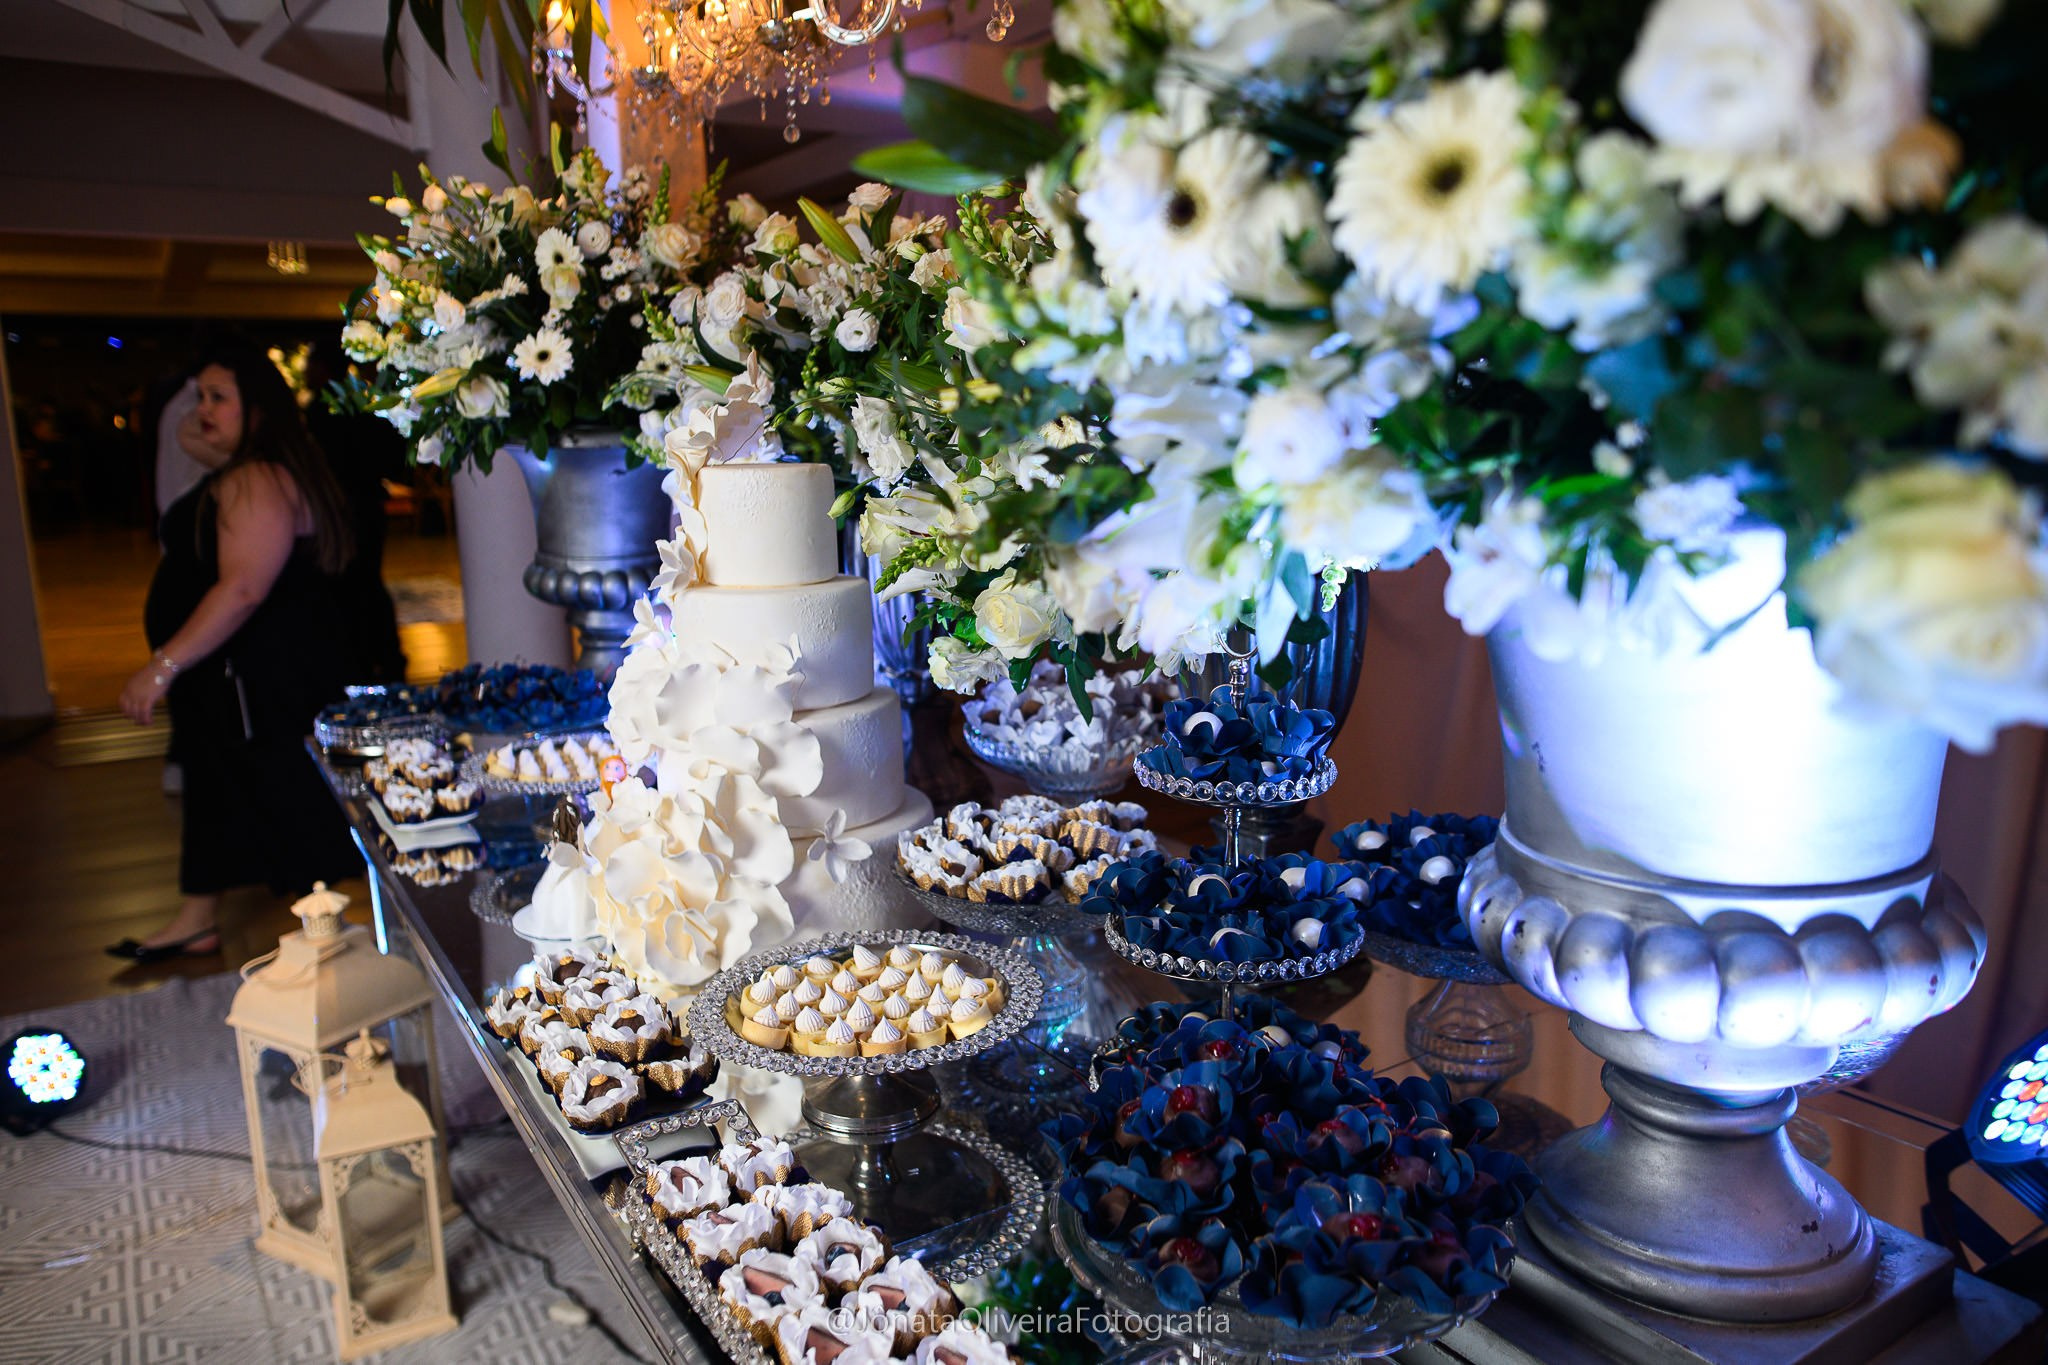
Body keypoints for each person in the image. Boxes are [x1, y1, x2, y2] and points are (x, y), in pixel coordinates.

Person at [110, 342, 363, 962]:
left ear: (259, 408)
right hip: (239, 680)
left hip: (258, 683)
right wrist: (208, 443)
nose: (202, 412)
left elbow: (244, 586)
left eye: (219, 398)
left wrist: (161, 666)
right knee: (219, 790)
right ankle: (202, 919)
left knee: (290, 810)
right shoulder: (249, 471)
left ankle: (336, 955)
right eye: (198, 398)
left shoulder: (254, 478)